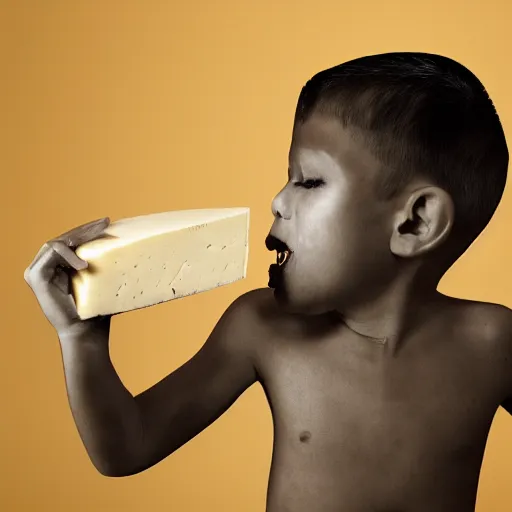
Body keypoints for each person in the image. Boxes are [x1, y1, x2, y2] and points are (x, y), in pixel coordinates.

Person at [24, 52, 512, 511]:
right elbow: (126, 449)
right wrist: (80, 337)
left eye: (309, 181)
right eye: (287, 177)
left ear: (415, 222)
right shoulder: (263, 328)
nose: (278, 201)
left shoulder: (492, 344)